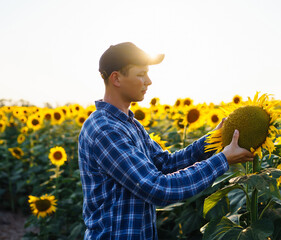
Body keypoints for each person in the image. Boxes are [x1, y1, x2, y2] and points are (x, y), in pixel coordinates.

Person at [78, 42, 254, 239]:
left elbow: (165, 164)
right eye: (141, 74)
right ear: (116, 78)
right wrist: (223, 160)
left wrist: (213, 140)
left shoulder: (128, 123)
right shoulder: (105, 130)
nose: (149, 81)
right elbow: (158, 189)